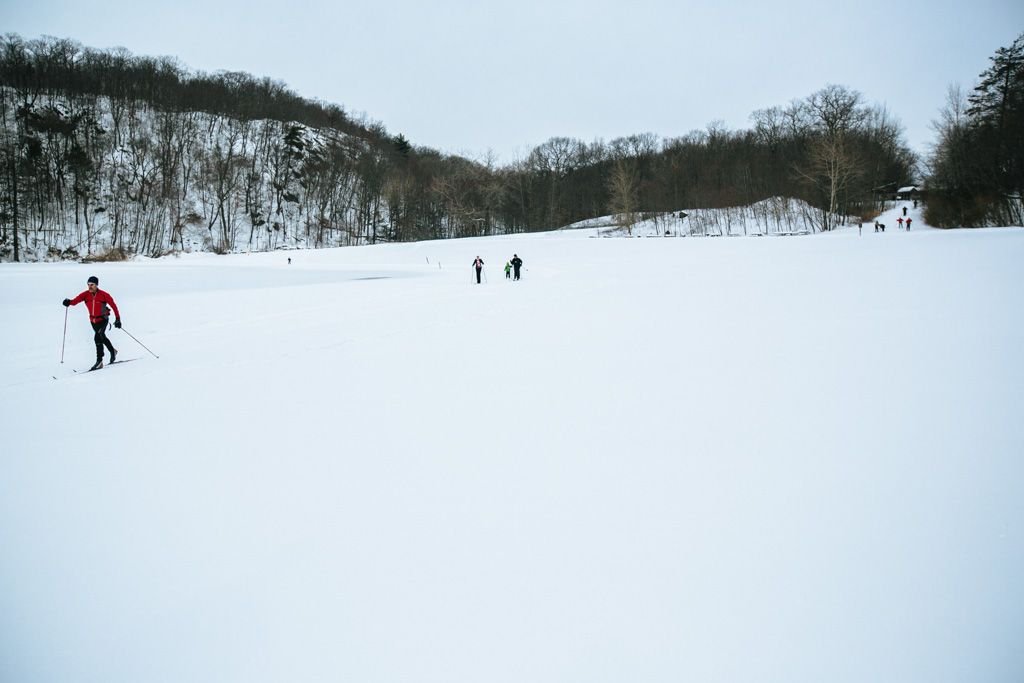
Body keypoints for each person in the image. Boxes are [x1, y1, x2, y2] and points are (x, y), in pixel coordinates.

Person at [63, 275, 121, 370]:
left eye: (92, 285)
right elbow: (75, 301)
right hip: (93, 321)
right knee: (102, 337)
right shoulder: (85, 294)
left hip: (103, 319)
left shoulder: (104, 295)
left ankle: (99, 361)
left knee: (97, 337)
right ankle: (112, 351)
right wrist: (68, 302)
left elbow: (114, 306)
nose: (90, 286)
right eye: (88, 284)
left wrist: (118, 319)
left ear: (97, 285)